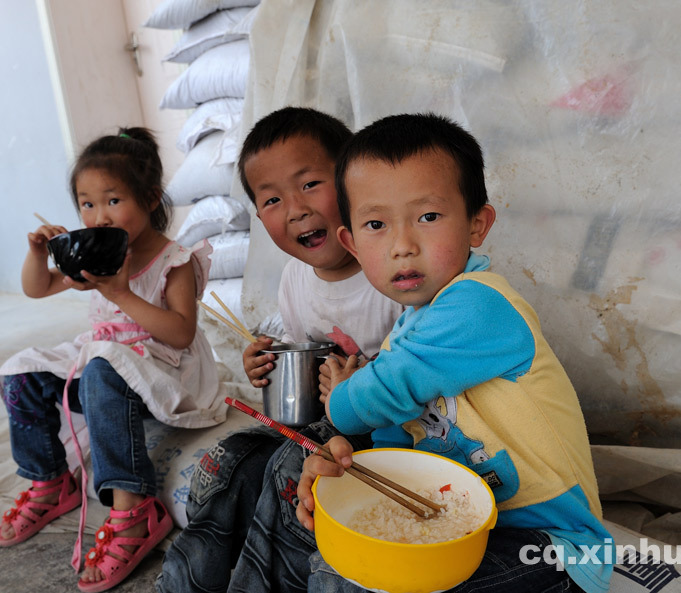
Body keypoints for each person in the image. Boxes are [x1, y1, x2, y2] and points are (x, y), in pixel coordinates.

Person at [294, 113, 615, 592]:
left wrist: (343, 397)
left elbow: (375, 396)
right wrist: (350, 467)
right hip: (456, 529)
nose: (403, 246)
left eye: (428, 217)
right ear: (353, 244)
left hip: (546, 545)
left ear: (476, 225)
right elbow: (395, 443)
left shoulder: (479, 303)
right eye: (377, 224)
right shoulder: (403, 332)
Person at [155, 107, 403, 593]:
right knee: (230, 460)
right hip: (314, 423)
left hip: (386, 436)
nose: (294, 208)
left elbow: (425, 382)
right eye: (270, 199)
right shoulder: (295, 280)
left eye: (310, 183)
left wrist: (361, 385)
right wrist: (268, 366)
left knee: (289, 471)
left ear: (354, 178)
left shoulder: (393, 269)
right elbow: (304, 361)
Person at [0, 127, 226, 592]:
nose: (98, 215)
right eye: (86, 202)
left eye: (112, 200)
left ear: (149, 198)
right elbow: (36, 288)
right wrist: (38, 254)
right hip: (103, 366)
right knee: (21, 369)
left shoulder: (173, 259)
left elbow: (181, 332)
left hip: (164, 369)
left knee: (103, 365)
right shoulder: (94, 251)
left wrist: (119, 292)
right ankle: (49, 480)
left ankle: (134, 510)